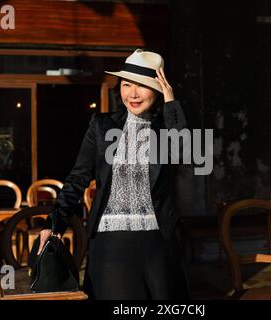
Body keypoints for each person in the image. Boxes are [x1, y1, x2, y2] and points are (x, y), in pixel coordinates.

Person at [38, 48, 190, 300]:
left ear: (158, 90)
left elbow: (183, 153)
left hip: (157, 242)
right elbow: (78, 178)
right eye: (127, 84)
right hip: (110, 243)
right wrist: (54, 224)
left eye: (142, 85)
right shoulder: (101, 125)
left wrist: (172, 104)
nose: (133, 93)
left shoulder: (165, 130)